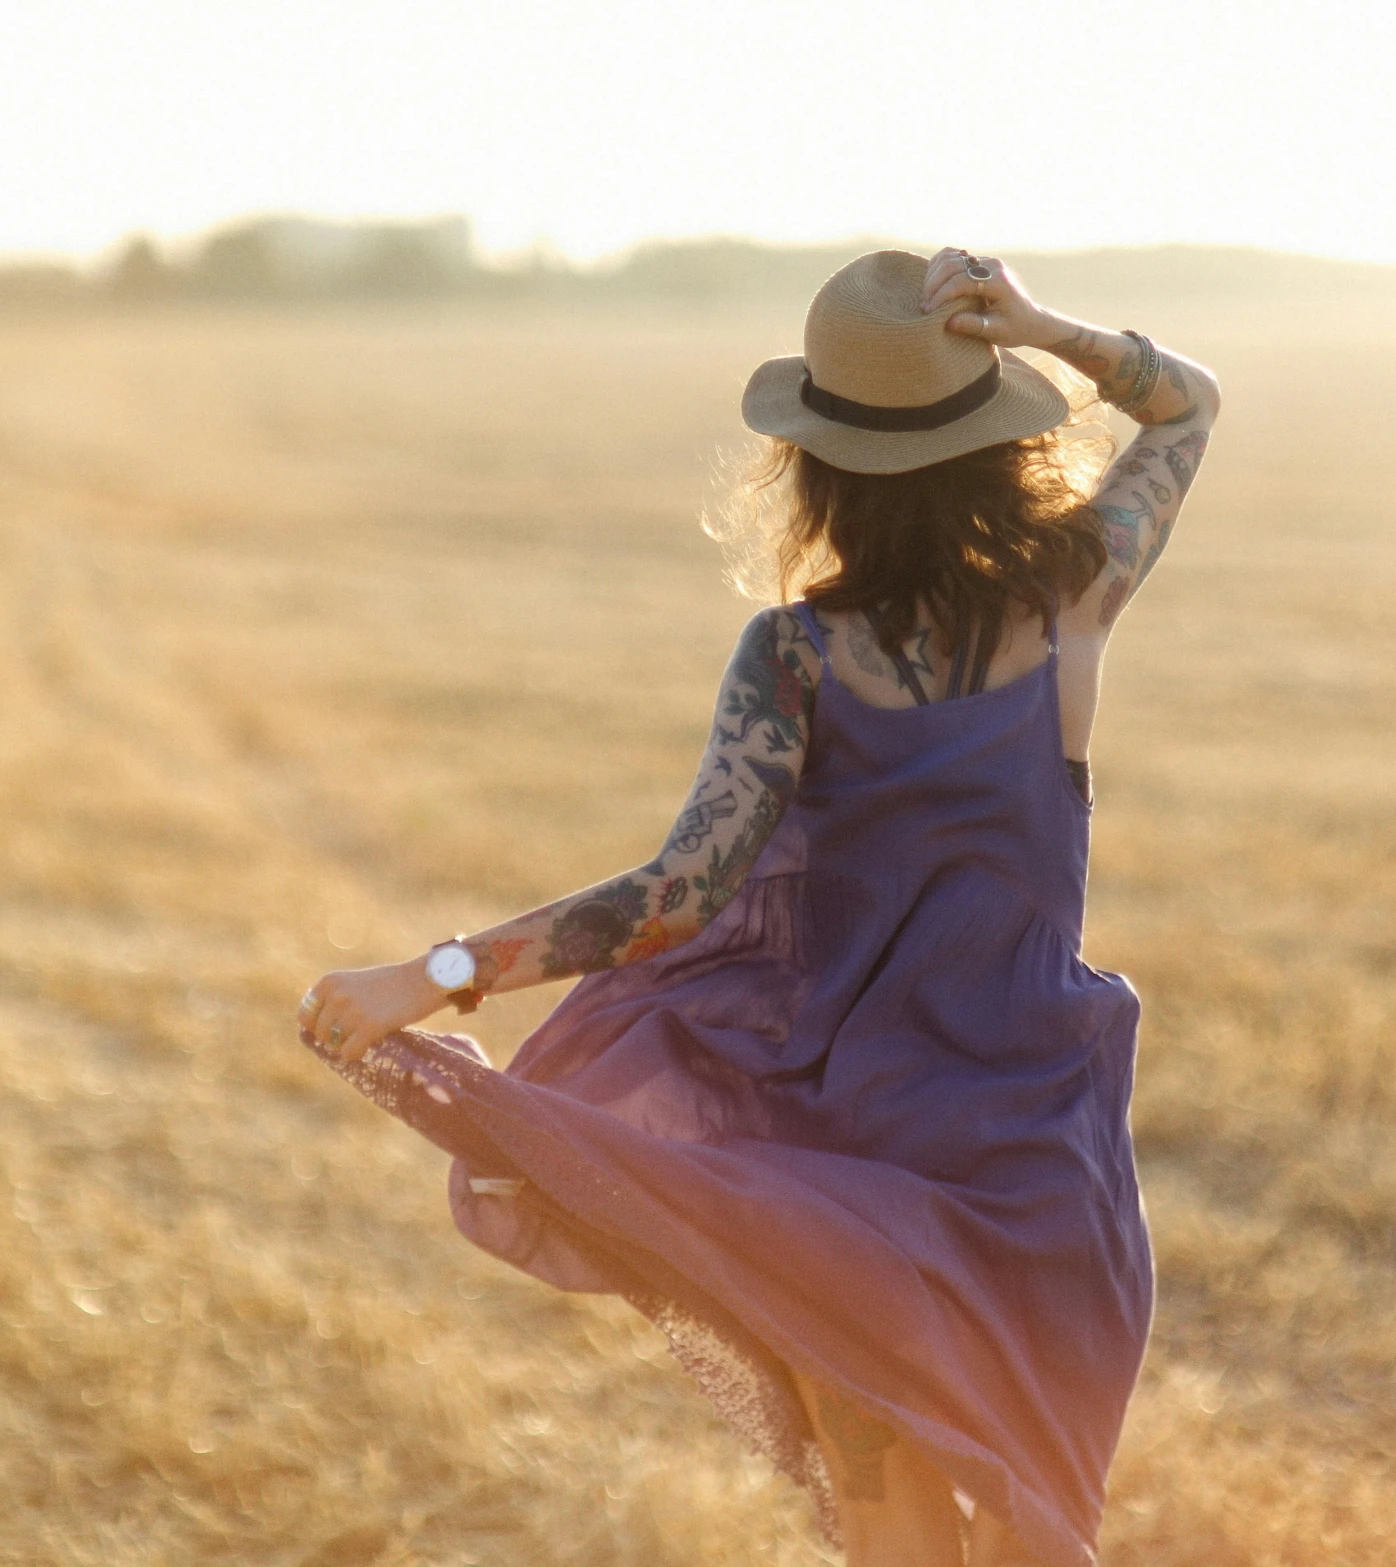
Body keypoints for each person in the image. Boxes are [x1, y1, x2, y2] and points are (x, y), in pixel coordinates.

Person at [297, 247, 1221, 1567]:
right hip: (1038, 1140)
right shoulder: (1072, 593)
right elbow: (1186, 403)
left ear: (815, 465)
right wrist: (1042, 323)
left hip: (847, 1159)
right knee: (1029, 1510)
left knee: (891, 1519)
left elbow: (673, 898)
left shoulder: (795, 655)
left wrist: (430, 970)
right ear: (996, 441)